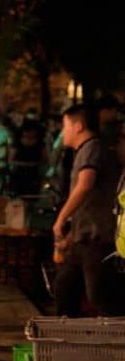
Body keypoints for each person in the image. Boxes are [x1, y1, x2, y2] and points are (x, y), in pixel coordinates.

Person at [52, 104, 124, 316]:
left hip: (98, 237)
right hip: (82, 237)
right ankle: (73, 338)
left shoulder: (92, 148)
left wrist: (61, 218)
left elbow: (85, 185)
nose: (62, 132)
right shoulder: (86, 150)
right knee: (64, 287)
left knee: (99, 295)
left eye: (65, 126)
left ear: (78, 127)